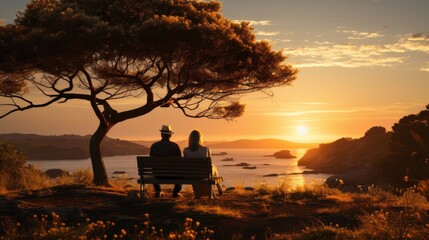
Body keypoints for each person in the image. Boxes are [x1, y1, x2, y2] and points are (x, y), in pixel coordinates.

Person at [183, 130, 223, 198]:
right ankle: (218, 188)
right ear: (200, 139)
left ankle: (199, 195)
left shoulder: (186, 150)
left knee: (198, 170)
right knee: (213, 167)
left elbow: (186, 165)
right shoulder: (206, 149)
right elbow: (209, 163)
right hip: (204, 174)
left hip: (191, 175)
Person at [150, 124, 182, 198]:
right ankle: (175, 192)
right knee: (181, 172)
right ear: (170, 135)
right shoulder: (175, 146)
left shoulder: (154, 146)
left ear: (161, 134)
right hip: (173, 175)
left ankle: (158, 191)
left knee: (155, 170)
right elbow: (180, 162)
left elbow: (152, 163)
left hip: (158, 175)